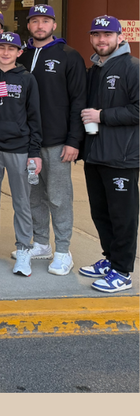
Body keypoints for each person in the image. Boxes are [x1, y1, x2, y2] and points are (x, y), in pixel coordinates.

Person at [16, 4, 86, 275]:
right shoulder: (21, 55)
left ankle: (63, 250)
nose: (40, 26)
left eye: (45, 21)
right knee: (33, 195)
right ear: (29, 25)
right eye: (35, 21)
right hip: (26, 142)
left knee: (58, 197)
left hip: (57, 141)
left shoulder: (69, 56)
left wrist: (74, 140)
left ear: (54, 25)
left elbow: (79, 100)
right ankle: (42, 243)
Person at [0, 32, 43, 277]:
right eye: (0, 47)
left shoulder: (27, 79)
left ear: (19, 52)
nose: (5, 52)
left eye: (10, 49)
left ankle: (24, 248)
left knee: (21, 201)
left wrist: (35, 152)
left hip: (19, 148)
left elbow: (35, 117)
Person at [78, 15, 139, 293]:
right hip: (96, 155)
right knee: (100, 213)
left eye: (107, 35)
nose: (101, 40)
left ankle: (123, 271)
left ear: (119, 37)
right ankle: (110, 259)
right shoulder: (95, 70)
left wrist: (103, 115)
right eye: (96, 35)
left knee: (122, 216)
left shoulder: (132, 67)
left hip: (122, 157)